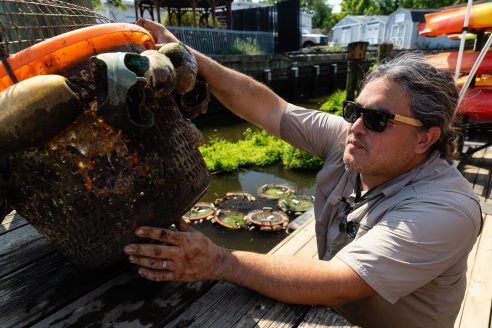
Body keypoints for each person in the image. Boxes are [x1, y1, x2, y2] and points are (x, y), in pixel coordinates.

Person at [123, 18, 482, 328]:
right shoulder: (352, 140)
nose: (356, 127)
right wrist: (185, 53)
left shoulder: (445, 209)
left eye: (377, 119)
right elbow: (268, 108)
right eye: (354, 110)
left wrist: (218, 260)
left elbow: (342, 281)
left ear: (425, 138)